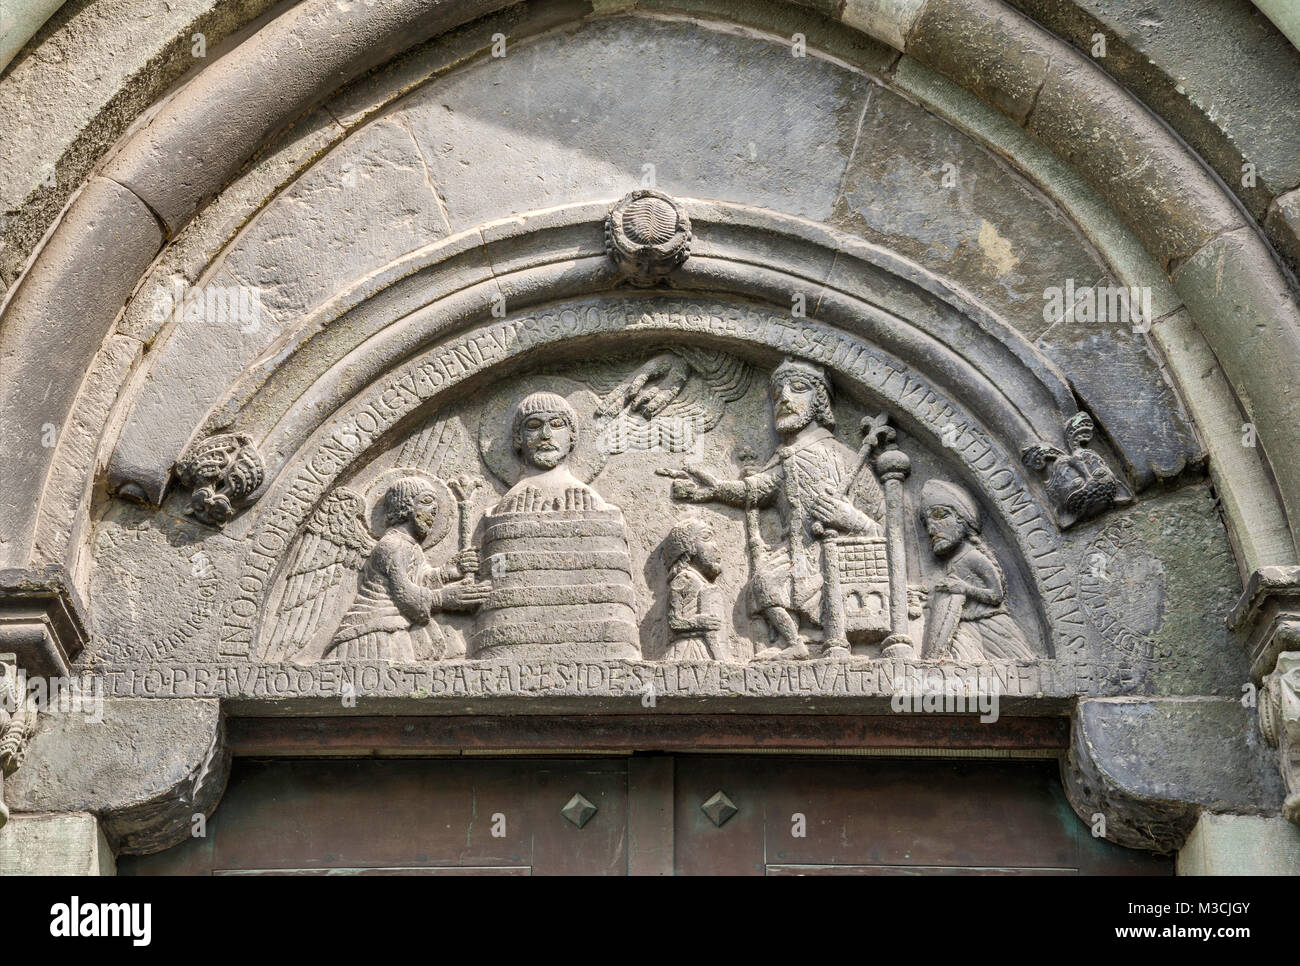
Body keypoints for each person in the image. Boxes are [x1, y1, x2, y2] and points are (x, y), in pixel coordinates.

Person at [665, 358, 882, 660]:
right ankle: (796, 642)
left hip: (837, 559)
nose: (785, 399)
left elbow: (885, 535)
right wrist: (713, 489)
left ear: (820, 401)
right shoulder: (786, 458)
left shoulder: (846, 459)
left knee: (784, 585)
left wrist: (852, 519)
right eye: (778, 393)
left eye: (799, 389)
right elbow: (756, 489)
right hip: (795, 557)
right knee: (763, 584)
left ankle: (820, 637)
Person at [328, 477, 486, 661]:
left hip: (395, 626)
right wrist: (445, 598)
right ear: (405, 506)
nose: (434, 511)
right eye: (427, 502)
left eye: (436, 506)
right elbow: (406, 595)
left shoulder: (411, 547)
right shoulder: (392, 544)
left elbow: (420, 579)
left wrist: (450, 571)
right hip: (371, 631)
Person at [918, 478, 1033, 662]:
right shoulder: (953, 560)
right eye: (926, 523)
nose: (931, 529)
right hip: (965, 626)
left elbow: (996, 595)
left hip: (990, 627)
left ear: (962, 520)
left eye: (940, 516)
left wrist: (964, 588)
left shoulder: (973, 556)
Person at [494, 391, 609, 513]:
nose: (546, 434)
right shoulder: (512, 503)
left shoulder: (587, 500)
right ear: (518, 437)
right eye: (533, 426)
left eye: (557, 424)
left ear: (572, 435)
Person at [661, 517, 728, 662]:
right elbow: (674, 621)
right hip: (688, 650)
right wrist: (698, 623)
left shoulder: (700, 582)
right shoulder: (683, 579)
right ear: (689, 547)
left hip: (703, 648)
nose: (715, 546)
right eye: (706, 537)